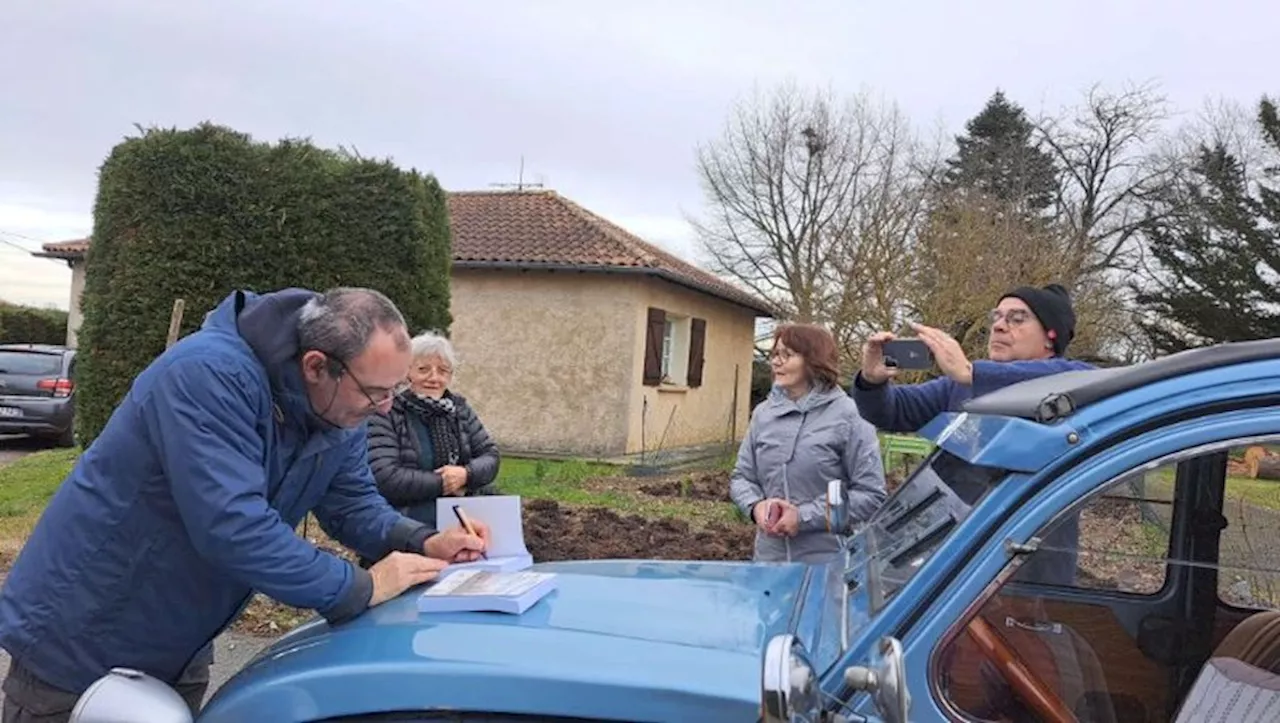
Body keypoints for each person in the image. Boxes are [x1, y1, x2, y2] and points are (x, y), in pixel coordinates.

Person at [0, 287, 489, 723]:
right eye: (376, 392)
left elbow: (354, 505)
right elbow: (232, 526)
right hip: (82, 638)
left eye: (393, 391)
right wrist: (360, 587)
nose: (386, 408)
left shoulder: (339, 409)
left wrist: (424, 540)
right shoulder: (206, 376)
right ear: (316, 365)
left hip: (181, 640)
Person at [851, 283, 1096, 585]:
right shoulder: (961, 385)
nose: (999, 326)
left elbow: (1074, 378)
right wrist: (872, 382)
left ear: (1051, 336)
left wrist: (971, 373)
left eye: (1017, 318)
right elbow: (892, 411)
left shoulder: (1075, 381)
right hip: (959, 557)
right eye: (997, 316)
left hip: (1032, 565)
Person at [729, 323, 887, 563]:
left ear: (813, 361)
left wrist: (803, 517)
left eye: (787, 355)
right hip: (769, 563)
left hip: (831, 563)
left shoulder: (851, 415)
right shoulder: (763, 414)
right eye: (775, 354)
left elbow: (870, 494)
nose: (776, 362)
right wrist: (755, 507)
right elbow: (742, 477)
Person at [365, 331, 500, 558]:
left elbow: (490, 456)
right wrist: (443, 483)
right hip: (405, 519)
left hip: (460, 513)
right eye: (423, 369)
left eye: (442, 370)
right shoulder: (387, 411)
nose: (433, 377)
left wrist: (466, 475)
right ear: (406, 372)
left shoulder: (459, 410)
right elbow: (385, 476)